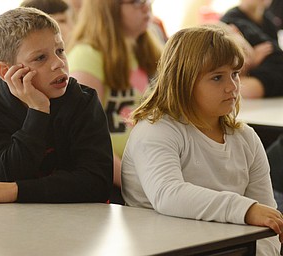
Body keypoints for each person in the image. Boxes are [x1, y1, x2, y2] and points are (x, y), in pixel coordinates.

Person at [121, 25, 282, 255]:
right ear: (182, 81)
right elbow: (168, 194)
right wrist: (245, 210)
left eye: (235, 74)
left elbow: (268, 225)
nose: (232, 87)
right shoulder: (156, 131)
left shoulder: (246, 138)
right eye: (217, 78)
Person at [0, 7, 113, 204]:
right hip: (15, 225)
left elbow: (97, 184)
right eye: (40, 58)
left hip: (79, 224)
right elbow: (4, 178)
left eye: (60, 51)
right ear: (6, 71)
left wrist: (17, 191)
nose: (58, 63)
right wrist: (38, 112)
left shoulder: (82, 100)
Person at [67, 0, 163, 204]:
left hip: (152, 171)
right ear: (108, 8)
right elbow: (84, 139)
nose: (146, 8)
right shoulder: (87, 55)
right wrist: (134, 181)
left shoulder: (145, 48)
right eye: (135, 2)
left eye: (147, 1)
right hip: (114, 181)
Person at [221, 0, 283, 98]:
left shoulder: (268, 20)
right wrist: (251, 61)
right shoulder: (231, 21)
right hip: (255, 76)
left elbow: (275, 52)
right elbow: (225, 66)